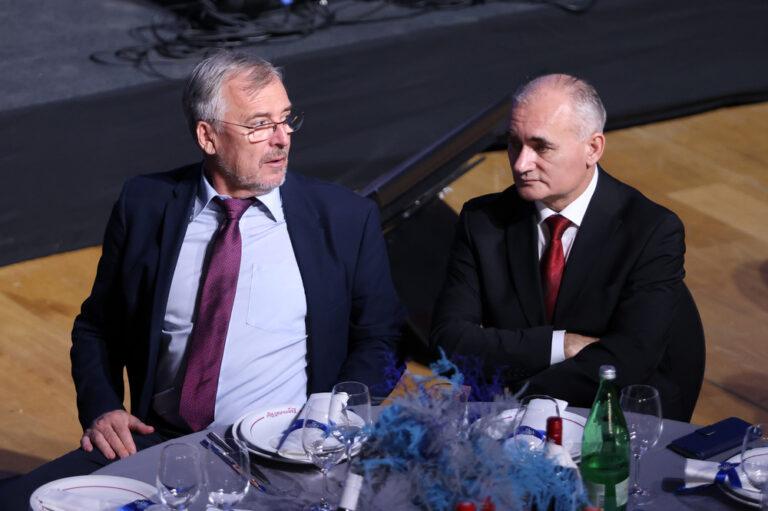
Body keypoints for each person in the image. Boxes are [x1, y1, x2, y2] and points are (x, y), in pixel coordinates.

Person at [0, 50, 405, 508]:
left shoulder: (345, 218)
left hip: (276, 457)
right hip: (156, 443)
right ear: (207, 136)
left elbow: (382, 337)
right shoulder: (144, 204)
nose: (282, 138)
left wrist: (330, 417)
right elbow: (97, 327)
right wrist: (104, 408)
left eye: (286, 119)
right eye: (259, 125)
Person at [430, 74, 704, 422]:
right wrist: (562, 345)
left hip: (611, 419)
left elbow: (630, 359)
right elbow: (449, 343)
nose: (520, 164)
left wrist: (521, 394)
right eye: (514, 143)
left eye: (541, 147)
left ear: (593, 148)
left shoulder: (651, 230)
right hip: (506, 424)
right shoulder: (482, 221)